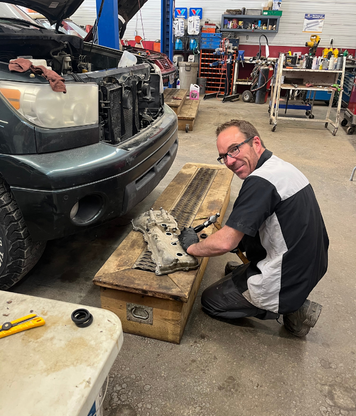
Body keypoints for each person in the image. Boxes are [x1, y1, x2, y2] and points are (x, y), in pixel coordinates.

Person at [178, 120, 329, 337]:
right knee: (234, 266)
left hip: (287, 276)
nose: (229, 161)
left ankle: (294, 309)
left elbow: (225, 242)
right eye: (224, 156)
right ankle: (268, 287)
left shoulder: (261, 182)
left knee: (210, 300)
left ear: (255, 142)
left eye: (234, 149)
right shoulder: (279, 167)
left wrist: (192, 246)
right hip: (311, 263)